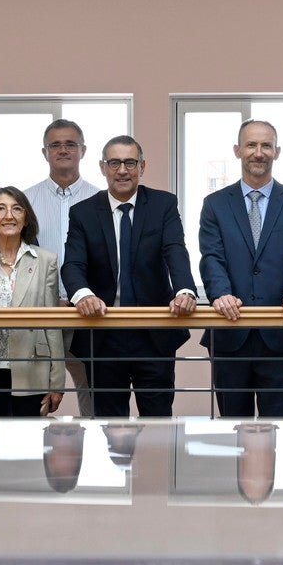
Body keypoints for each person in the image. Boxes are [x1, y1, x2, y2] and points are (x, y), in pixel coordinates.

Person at [63, 135, 198, 417]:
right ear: (103, 167)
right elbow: (72, 265)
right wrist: (83, 295)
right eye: (114, 162)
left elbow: (176, 250)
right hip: (103, 334)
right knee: (109, 428)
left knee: (159, 422)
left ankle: (156, 464)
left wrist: (185, 290)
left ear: (142, 166)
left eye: (129, 162)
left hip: (154, 334)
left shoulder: (163, 205)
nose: (122, 170)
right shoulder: (83, 213)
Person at [197, 118, 283, 418]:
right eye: (251, 144)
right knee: (231, 427)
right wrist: (220, 294)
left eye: (266, 145)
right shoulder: (214, 204)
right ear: (238, 150)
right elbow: (211, 257)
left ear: (277, 151)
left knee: (277, 428)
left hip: (280, 333)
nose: (258, 152)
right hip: (229, 332)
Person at [0, 186, 65, 416]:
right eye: (0, 209)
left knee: (29, 446)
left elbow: (53, 324)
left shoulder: (46, 260)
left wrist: (57, 381)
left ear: (26, 218)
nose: (9, 215)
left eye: (17, 209)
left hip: (31, 371)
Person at [24, 119, 104, 412]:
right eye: (55, 145)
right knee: (37, 400)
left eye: (70, 144)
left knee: (94, 399)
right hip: (40, 312)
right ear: (44, 152)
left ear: (82, 150)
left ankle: (99, 457)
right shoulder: (25, 201)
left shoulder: (101, 200)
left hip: (88, 313)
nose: (63, 150)